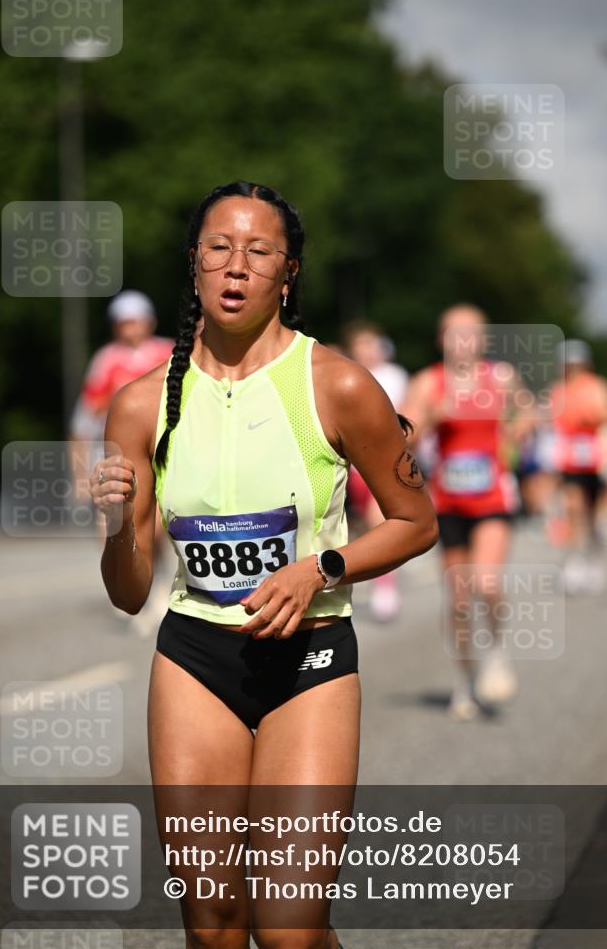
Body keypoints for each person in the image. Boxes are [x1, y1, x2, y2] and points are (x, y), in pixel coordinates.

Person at [90, 181, 438, 949]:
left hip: (307, 661)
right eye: (218, 248)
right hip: (194, 660)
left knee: (288, 926)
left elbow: (416, 523)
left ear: (289, 272)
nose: (236, 266)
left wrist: (321, 568)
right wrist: (116, 529)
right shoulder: (141, 404)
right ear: (194, 263)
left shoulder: (337, 385)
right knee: (212, 922)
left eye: (258, 251)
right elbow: (128, 594)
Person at [402, 304, 531, 722]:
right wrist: (432, 416)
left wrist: (517, 429)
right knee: (459, 599)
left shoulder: (501, 377)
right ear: (442, 340)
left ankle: (496, 652)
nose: (462, 342)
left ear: (483, 339)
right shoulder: (429, 381)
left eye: (470, 333)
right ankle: (465, 680)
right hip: (449, 501)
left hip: (493, 496)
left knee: (487, 582)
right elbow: (401, 435)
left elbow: (528, 410)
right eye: (453, 333)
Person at [69, 290, 174, 633]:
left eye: (136, 320)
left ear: (149, 321)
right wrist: (79, 472)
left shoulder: (168, 351)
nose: (131, 327)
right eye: (124, 322)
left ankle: (158, 588)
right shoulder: (106, 360)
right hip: (115, 453)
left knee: (155, 529)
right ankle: (129, 588)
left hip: (160, 452)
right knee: (113, 527)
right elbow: (85, 418)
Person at [342, 321, 409, 621]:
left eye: (371, 344)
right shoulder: (347, 375)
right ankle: (379, 577)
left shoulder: (394, 376)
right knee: (366, 526)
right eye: (361, 345)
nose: (367, 351)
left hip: (387, 461)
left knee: (379, 521)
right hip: (354, 465)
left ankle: (386, 586)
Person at [549, 340, 607, 593]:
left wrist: (590, 418)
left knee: (596, 516)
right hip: (571, 460)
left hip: (597, 459)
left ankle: (594, 560)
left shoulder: (598, 386)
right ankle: (574, 562)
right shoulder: (558, 390)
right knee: (573, 508)